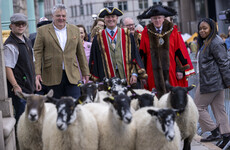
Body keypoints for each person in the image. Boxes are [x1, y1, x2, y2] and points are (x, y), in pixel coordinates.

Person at [138, 2, 195, 98]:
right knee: (155, 99)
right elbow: (142, 54)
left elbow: (179, 52)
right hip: (152, 73)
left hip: (171, 71)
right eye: (154, 18)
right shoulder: (146, 32)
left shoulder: (173, 31)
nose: (157, 20)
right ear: (151, 19)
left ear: (163, 18)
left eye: (159, 17)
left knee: (171, 97)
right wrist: (143, 74)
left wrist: (180, 70)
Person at [34, 4, 90, 99]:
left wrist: (85, 72)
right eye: (58, 16)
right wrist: (37, 73)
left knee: (75, 104)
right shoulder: (42, 31)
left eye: (63, 16)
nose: (61, 18)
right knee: (57, 105)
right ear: (52, 16)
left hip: (72, 75)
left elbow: (80, 53)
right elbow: (37, 52)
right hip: (52, 75)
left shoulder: (75, 30)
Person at [194, 18, 230, 149]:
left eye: (205, 28)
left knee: (196, 108)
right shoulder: (207, 42)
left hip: (211, 82)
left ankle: (214, 132)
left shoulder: (215, 42)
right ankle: (226, 136)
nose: (202, 30)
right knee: (219, 109)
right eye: (200, 28)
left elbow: (224, 63)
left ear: (212, 28)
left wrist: (228, 81)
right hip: (212, 81)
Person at [89, 7, 147, 85]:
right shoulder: (98, 38)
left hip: (127, 76)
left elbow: (134, 56)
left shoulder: (127, 35)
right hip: (107, 78)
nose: (111, 19)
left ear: (117, 18)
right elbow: (95, 60)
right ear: (104, 20)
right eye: (108, 17)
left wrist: (134, 74)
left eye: (113, 17)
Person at [3, 13, 35, 123]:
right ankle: (18, 139)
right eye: (17, 24)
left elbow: (31, 63)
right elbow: (8, 67)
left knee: (28, 117)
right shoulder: (10, 45)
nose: (21, 26)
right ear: (11, 26)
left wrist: (35, 79)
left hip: (28, 86)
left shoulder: (27, 41)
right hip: (20, 89)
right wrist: (15, 86)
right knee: (22, 118)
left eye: (23, 24)